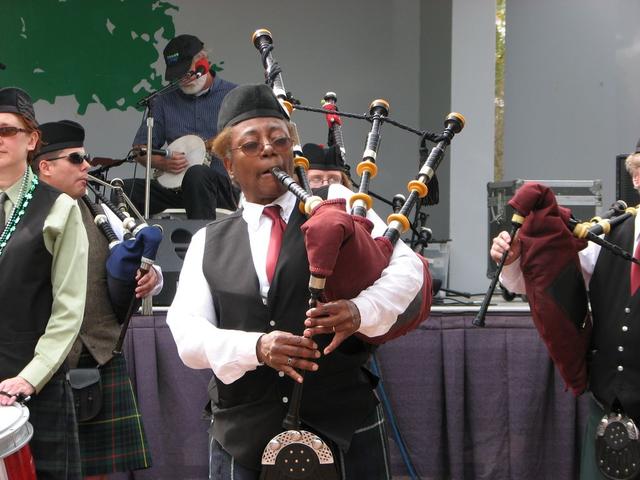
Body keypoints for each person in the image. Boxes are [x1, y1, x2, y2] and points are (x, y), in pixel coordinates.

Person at [167, 84, 424, 479]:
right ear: (229, 164)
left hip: (342, 423)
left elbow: (406, 270)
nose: (269, 150)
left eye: (279, 140)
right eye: (251, 145)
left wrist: (361, 310)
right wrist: (256, 346)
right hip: (244, 432)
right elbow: (187, 335)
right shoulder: (208, 242)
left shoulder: (337, 208)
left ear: (292, 151)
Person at [490, 164, 640, 479]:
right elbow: (548, 281)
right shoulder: (610, 233)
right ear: (637, 177)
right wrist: (516, 257)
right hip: (612, 414)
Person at [33, 119, 163, 480]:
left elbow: (139, 265)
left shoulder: (100, 211)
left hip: (96, 356)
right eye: (76, 159)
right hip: (35, 362)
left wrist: (151, 278)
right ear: (45, 166)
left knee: (94, 473)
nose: (87, 166)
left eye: (85, 157)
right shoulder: (21, 217)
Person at [0, 87, 88, 479]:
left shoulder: (59, 208)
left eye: (7, 130)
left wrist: (29, 378)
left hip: (33, 386)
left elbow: (69, 309)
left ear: (32, 140)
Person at [122, 34, 238, 219]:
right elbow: (139, 150)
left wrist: (206, 146)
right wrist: (162, 162)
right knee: (124, 190)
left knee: (197, 175)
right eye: (178, 76)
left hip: (221, 188)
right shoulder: (163, 101)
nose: (183, 80)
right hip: (177, 189)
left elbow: (245, 135)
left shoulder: (234, 95)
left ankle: (203, 245)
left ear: (203, 63)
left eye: (187, 72)